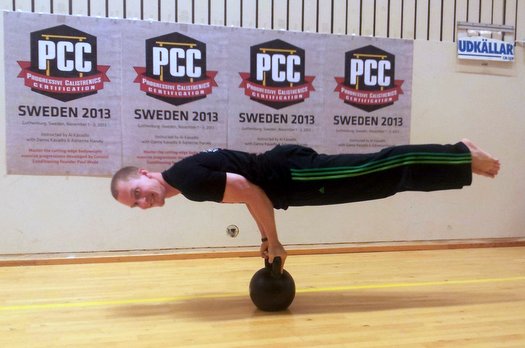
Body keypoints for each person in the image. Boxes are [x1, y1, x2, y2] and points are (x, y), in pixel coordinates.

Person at [110, 139, 500, 270]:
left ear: (145, 173)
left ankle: (461, 154)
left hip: (294, 177)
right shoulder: (183, 177)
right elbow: (248, 191)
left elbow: (249, 189)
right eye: (136, 204)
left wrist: (275, 240)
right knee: (379, 180)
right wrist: (265, 237)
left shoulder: (187, 181)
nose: (143, 201)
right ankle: (458, 157)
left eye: (138, 192)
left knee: (379, 170)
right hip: (288, 175)